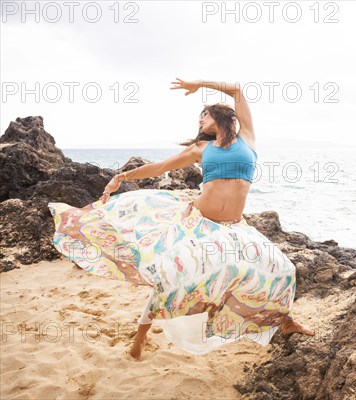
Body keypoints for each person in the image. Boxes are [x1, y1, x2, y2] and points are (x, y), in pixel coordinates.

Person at [48, 78, 314, 362]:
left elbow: (237, 90)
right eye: (199, 116)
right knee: (169, 279)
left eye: (204, 114)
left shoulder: (246, 137)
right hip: (197, 224)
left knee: (282, 268)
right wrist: (122, 177)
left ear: (220, 116)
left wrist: (198, 84)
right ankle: (140, 337)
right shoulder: (201, 149)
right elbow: (161, 166)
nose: (200, 120)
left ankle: (284, 321)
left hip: (234, 228)